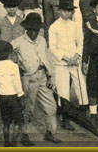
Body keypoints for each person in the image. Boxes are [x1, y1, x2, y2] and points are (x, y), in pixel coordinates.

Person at [11, 13, 61, 145]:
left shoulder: (42, 40)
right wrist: (18, 68)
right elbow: (9, 59)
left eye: (36, 29)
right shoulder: (18, 42)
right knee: (27, 108)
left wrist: (50, 77)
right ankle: (24, 135)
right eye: (30, 29)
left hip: (43, 76)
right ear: (26, 29)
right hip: (28, 78)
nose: (33, 32)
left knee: (51, 107)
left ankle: (50, 132)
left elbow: (47, 59)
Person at [48, 0, 89, 130]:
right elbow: (53, 48)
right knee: (63, 90)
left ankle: (84, 114)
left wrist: (77, 55)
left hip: (74, 61)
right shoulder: (54, 27)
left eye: (70, 11)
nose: (67, 13)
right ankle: (65, 118)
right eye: (64, 11)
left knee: (81, 86)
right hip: (61, 63)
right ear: (59, 11)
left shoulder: (75, 25)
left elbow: (80, 42)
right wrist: (66, 58)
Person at [0, 40, 25, 147]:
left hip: (2, 96)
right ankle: (14, 143)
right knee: (18, 121)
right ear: (9, 52)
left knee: (6, 121)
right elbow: (17, 83)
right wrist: (21, 97)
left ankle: (6, 143)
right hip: (13, 97)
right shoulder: (13, 66)